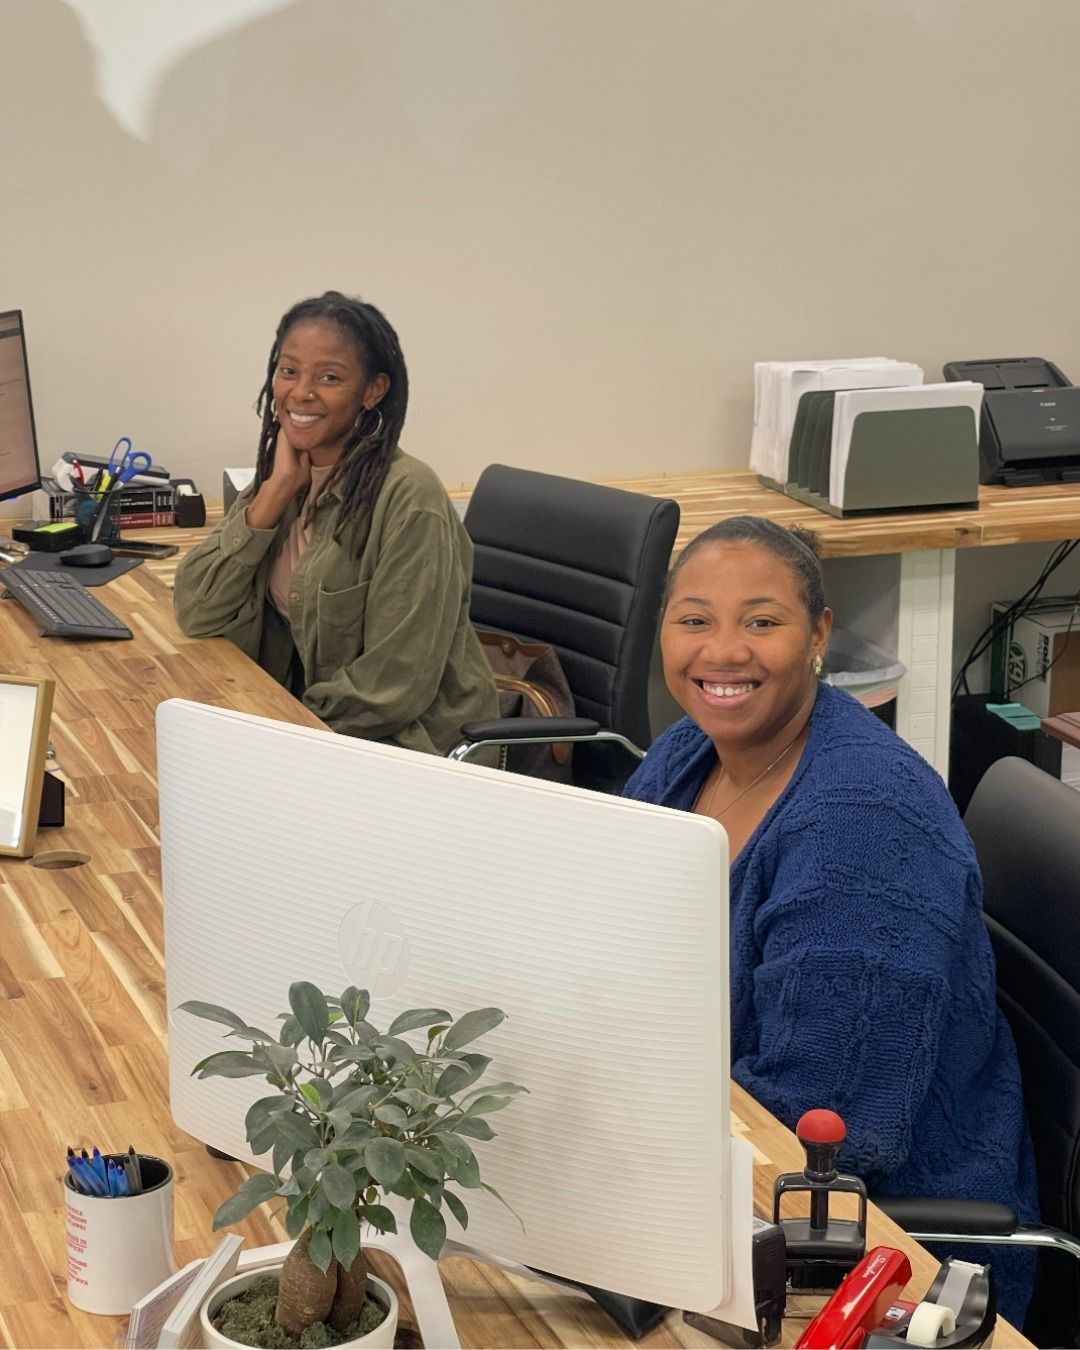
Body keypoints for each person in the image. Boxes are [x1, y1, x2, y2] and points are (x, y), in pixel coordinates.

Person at [624, 515, 1039, 1324]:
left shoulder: (862, 823)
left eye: (762, 621)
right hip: (713, 1151)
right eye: (695, 619)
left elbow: (830, 1127)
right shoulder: (687, 753)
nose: (723, 651)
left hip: (883, 1248)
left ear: (818, 634)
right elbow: (605, 923)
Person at [174, 291, 498, 756]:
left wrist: (278, 732)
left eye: (329, 377)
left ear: (373, 391)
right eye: (288, 371)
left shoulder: (410, 499)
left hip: (405, 752)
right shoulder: (288, 475)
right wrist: (273, 494)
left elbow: (390, 687)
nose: (301, 392)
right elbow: (196, 608)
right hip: (314, 734)